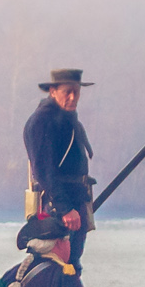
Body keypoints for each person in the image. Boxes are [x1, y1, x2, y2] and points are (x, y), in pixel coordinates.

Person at [22, 69, 96, 266]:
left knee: (73, 261)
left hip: (75, 199)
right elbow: (44, 171)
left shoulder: (68, 118)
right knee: (60, 263)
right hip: (57, 206)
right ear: (53, 91)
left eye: (76, 92)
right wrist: (65, 209)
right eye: (67, 92)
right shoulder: (41, 121)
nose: (73, 97)